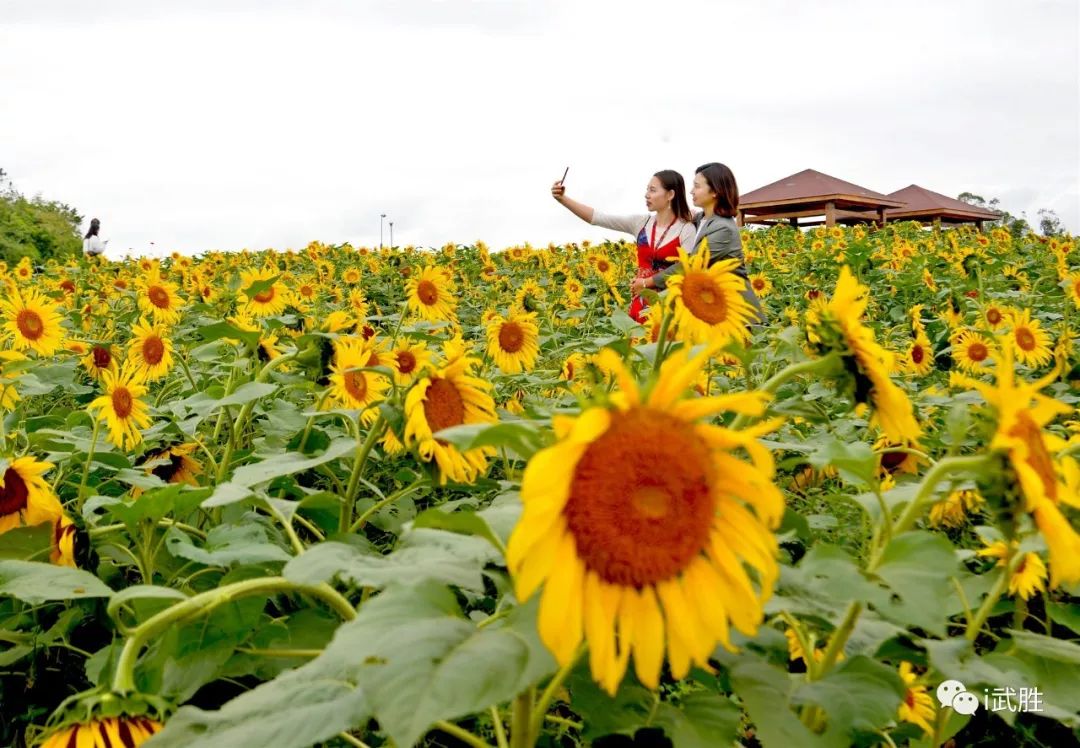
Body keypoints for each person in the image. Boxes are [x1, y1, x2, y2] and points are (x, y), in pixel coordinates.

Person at [551, 170, 696, 323]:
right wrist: (563, 199)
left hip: (670, 307)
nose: (647, 195)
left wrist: (648, 282)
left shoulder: (685, 229)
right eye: (647, 189)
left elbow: (686, 270)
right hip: (640, 304)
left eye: (653, 190)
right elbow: (597, 218)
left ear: (670, 195)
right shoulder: (641, 223)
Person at [639, 162, 765, 324]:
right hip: (715, 309)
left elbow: (691, 264)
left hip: (740, 316)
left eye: (697, 186)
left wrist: (647, 282)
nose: (691, 191)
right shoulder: (700, 220)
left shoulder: (723, 228)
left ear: (715, 192)